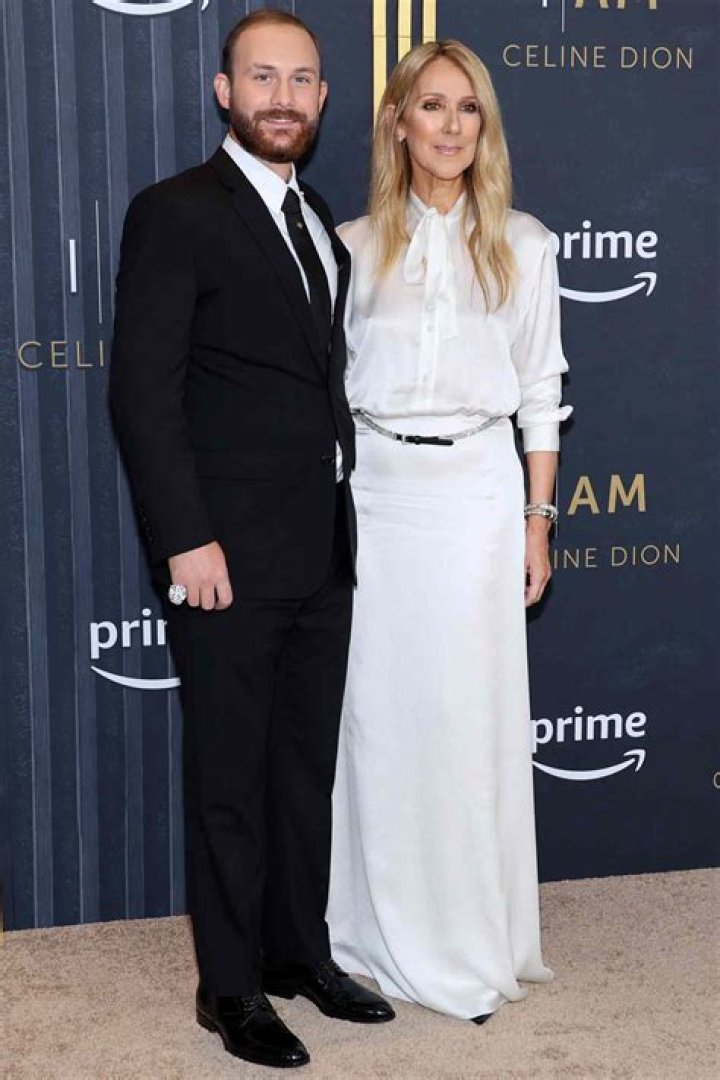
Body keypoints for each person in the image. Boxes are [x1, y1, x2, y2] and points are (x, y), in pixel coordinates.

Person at [110, 11, 393, 1071]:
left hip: (321, 546)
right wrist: (186, 540)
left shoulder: (318, 215)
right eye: (262, 77)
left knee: (301, 770)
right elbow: (144, 395)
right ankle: (228, 987)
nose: (284, 96)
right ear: (225, 91)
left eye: (302, 79)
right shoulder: (176, 211)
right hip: (224, 554)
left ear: (323, 98)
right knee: (230, 775)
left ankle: (296, 953)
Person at [327, 40, 570, 1022]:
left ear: (485, 127)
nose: (451, 125)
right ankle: (367, 935)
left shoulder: (526, 244)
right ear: (397, 121)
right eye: (431, 105)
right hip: (375, 494)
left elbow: (541, 396)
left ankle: (470, 942)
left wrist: (536, 522)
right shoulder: (347, 247)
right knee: (379, 721)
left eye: (469, 109)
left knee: (466, 718)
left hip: (477, 493)